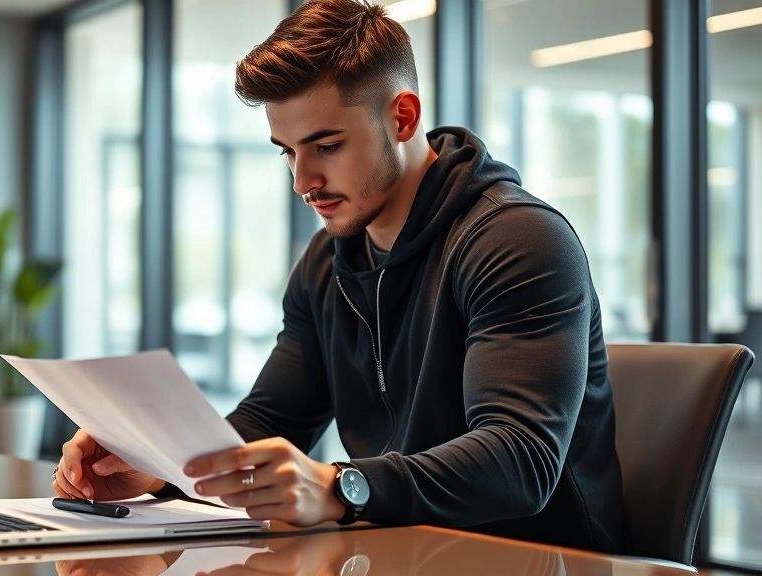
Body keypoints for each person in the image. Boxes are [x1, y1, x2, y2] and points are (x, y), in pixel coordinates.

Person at [54, 0, 622, 553]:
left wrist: (340, 487)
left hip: (538, 565)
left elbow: (520, 461)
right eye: (287, 152)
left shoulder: (518, 240)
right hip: (399, 555)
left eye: (326, 146)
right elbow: (274, 418)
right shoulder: (327, 260)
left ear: (402, 117)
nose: (303, 181)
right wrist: (159, 468)